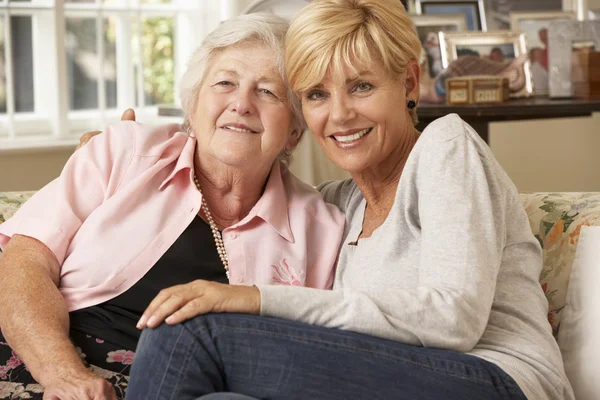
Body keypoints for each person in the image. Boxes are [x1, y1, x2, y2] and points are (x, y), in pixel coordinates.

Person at [125, 1, 575, 400]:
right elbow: (241, 186)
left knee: (187, 336)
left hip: (500, 381)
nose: (339, 115)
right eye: (317, 95)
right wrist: (127, 157)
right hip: (394, 375)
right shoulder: (338, 206)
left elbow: (453, 318)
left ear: (409, 83)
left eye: (361, 86)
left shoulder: (446, 147)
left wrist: (253, 298)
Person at [0, 13, 345, 400]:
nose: (242, 104)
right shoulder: (126, 154)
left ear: (295, 131)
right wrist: (62, 374)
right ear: (193, 107)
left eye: (267, 91)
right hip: (43, 364)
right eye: (225, 83)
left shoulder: (321, 230)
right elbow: (24, 261)